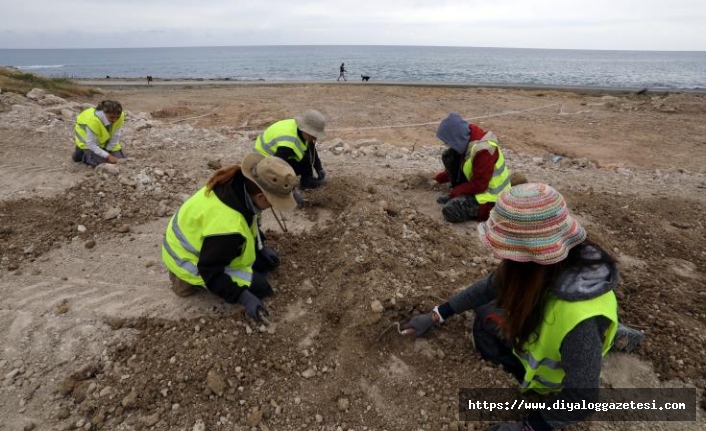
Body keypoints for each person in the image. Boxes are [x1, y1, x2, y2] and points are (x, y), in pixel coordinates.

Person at [404, 183, 644, 431]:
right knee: (490, 303)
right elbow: (490, 286)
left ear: (529, 255)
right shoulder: (569, 262)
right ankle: (611, 336)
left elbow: (582, 400)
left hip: (554, 376)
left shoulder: (578, 323)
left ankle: (595, 344)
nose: (501, 257)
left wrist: (528, 427)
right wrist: (437, 314)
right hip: (575, 336)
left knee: (483, 324)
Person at [161, 154, 298, 322]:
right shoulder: (228, 228)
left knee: (267, 265)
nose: (273, 207)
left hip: (210, 245)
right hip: (188, 259)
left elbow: (249, 222)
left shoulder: (239, 188)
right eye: (273, 202)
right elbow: (209, 270)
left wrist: (259, 247)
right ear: (261, 197)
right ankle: (181, 279)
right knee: (261, 288)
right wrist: (242, 296)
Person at [433, 113, 511, 223]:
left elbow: (479, 185)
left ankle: (480, 209)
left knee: (451, 210)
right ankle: (460, 194)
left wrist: (454, 193)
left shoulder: (484, 150)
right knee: (449, 155)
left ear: (456, 137)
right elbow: (461, 163)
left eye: (447, 141)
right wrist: (440, 177)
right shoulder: (467, 139)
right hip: (479, 186)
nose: (447, 144)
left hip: (492, 199)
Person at [253, 109, 327, 204]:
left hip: (276, 156)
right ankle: (281, 192)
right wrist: (293, 195)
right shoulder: (288, 143)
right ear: (305, 129)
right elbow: (278, 169)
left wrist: (319, 168)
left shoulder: (300, 129)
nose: (315, 138)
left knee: (305, 158)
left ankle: (307, 181)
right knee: (287, 171)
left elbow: (311, 148)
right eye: (313, 134)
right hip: (265, 164)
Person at [72, 100, 126, 168]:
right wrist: (108, 156)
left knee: (120, 161)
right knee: (103, 164)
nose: (115, 120)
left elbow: (116, 135)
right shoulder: (93, 121)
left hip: (102, 142)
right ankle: (81, 154)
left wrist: (108, 151)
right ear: (104, 113)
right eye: (112, 117)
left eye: (117, 117)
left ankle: (101, 152)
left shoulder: (120, 116)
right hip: (87, 143)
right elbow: (91, 144)